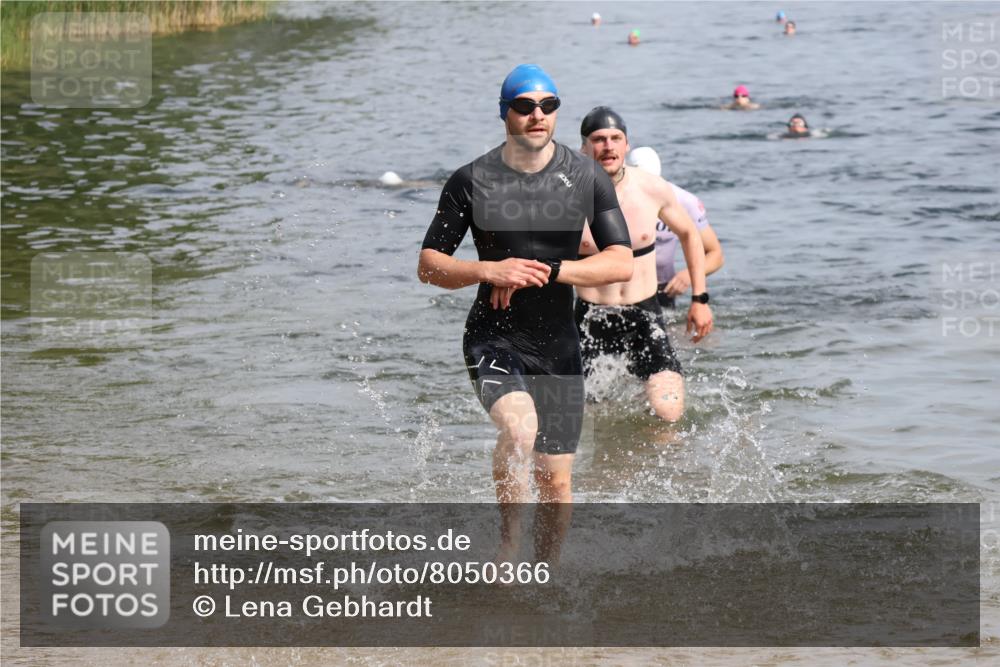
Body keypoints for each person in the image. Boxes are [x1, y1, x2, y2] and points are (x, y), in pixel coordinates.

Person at [417, 65, 632, 559]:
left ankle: (546, 572)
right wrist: (488, 271)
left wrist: (550, 270)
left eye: (548, 106)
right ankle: (508, 548)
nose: (538, 115)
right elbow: (429, 266)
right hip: (495, 336)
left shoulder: (585, 177)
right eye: (525, 105)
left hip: (558, 343)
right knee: (519, 429)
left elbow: (619, 261)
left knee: (555, 482)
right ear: (504, 112)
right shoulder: (472, 179)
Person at [576, 107, 714, 423]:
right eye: (599, 139)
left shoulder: (651, 188)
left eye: (616, 138)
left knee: (668, 411)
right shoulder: (567, 196)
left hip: (644, 315)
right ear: (584, 147)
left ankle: (667, 470)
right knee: (592, 420)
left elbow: (690, 234)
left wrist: (699, 299)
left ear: (627, 145)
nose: (608, 146)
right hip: (589, 320)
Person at [626, 147, 725, 309]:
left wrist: (688, 275)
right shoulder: (616, 197)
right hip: (619, 288)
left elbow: (716, 254)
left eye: (652, 182)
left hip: (662, 289)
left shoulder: (684, 201)